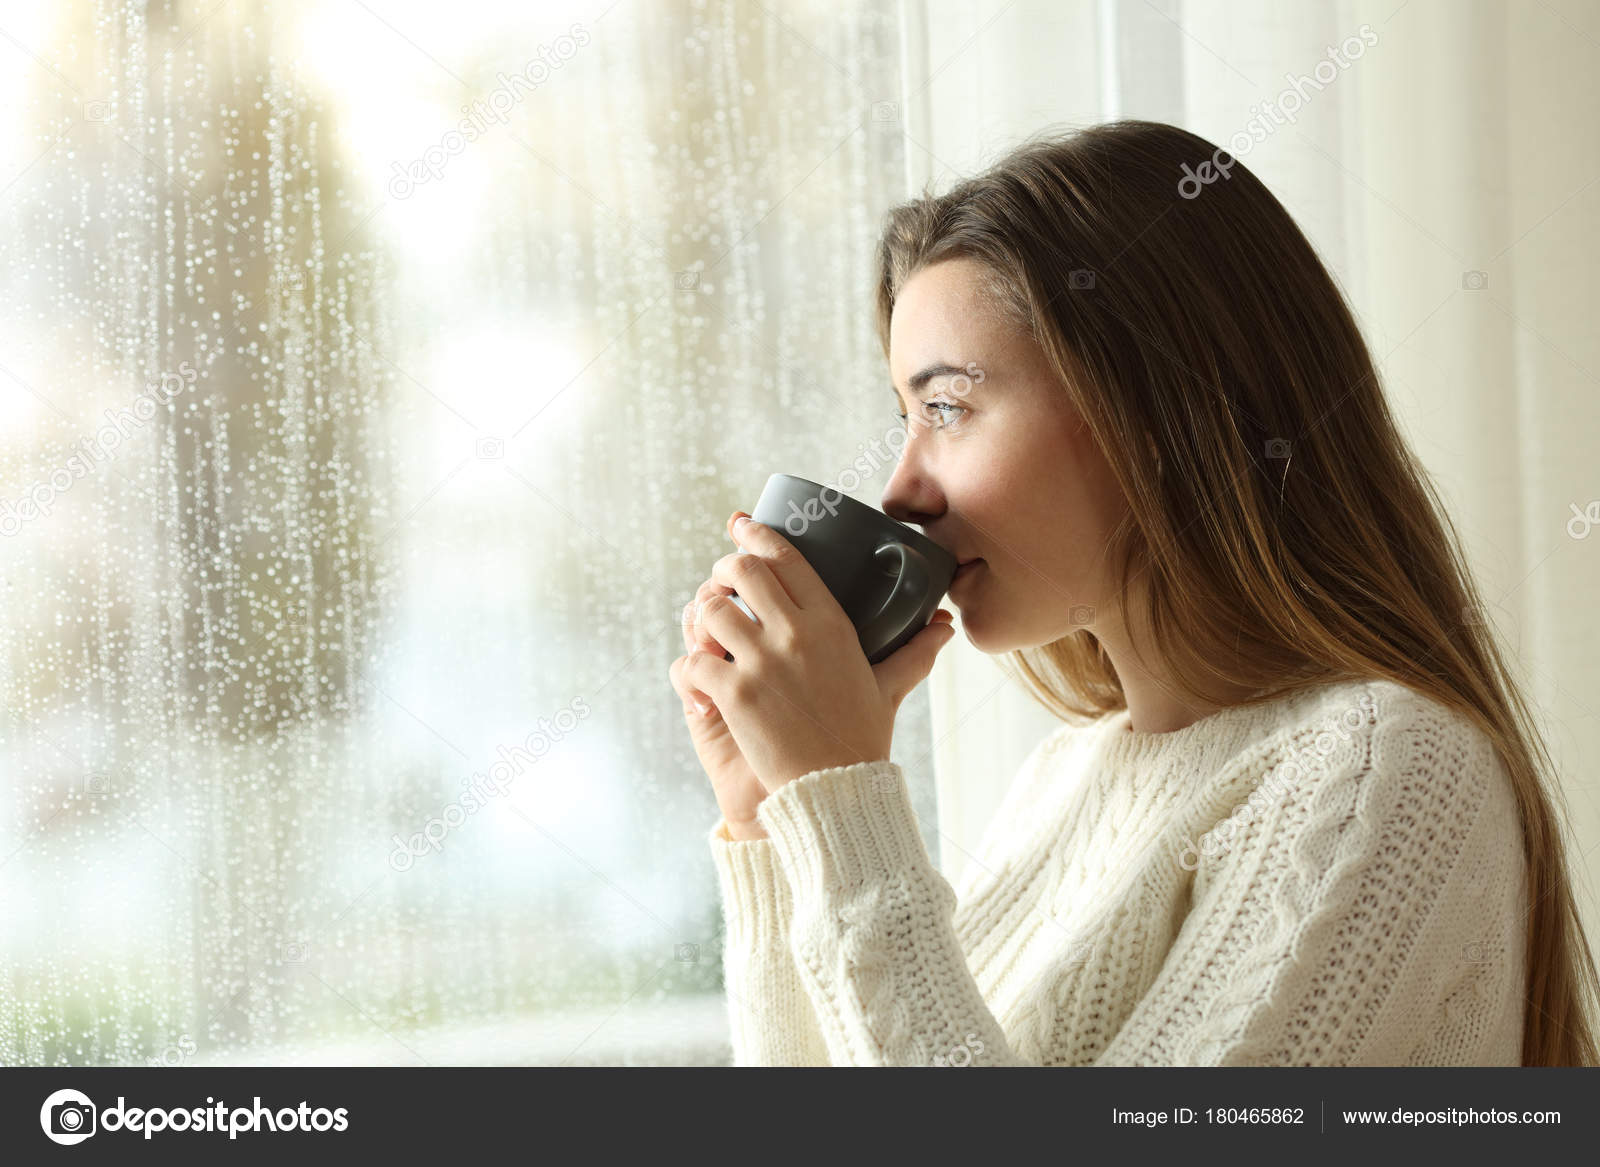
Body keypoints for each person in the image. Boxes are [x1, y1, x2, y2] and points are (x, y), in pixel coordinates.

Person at [666, 120, 1598, 1066]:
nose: (902, 489)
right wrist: (772, 829)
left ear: (1152, 411)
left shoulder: (1382, 771)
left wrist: (842, 802)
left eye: (946, 408)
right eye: (906, 419)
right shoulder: (1065, 779)